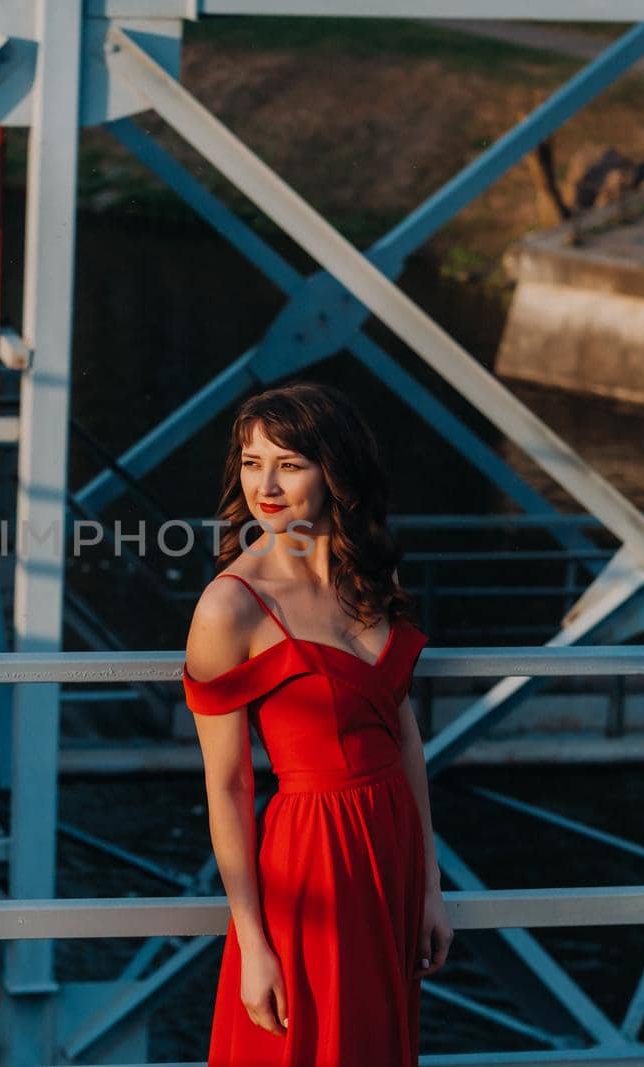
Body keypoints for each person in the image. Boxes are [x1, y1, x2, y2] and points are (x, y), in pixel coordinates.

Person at [181, 381, 452, 1065]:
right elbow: (229, 787)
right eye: (249, 461)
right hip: (312, 864)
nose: (263, 485)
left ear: (335, 470)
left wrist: (430, 887)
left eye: (289, 463)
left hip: (389, 855)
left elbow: (406, 740)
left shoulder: (369, 580)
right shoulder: (230, 607)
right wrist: (253, 943)